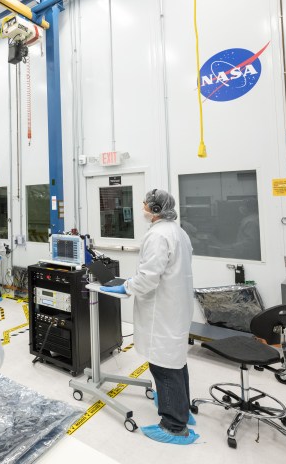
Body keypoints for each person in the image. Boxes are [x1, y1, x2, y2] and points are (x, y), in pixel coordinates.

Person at [100, 189, 199, 445]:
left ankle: (174, 426)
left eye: (145, 203)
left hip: (162, 310)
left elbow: (148, 278)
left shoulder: (158, 236)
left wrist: (126, 287)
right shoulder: (179, 232)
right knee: (176, 361)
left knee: (163, 366)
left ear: (155, 209)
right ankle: (182, 409)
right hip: (175, 307)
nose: (142, 206)